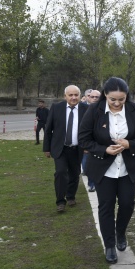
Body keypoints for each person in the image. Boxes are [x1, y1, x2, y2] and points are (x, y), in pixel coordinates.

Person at [78, 77, 135, 264]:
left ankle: (120, 232)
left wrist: (131, 144)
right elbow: (83, 138)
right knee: (106, 206)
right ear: (105, 95)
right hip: (104, 169)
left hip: (128, 168)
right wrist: (104, 149)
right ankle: (109, 244)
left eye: (122, 99)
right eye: (113, 100)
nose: (118, 103)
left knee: (127, 204)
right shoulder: (94, 110)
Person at [43, 85, 88, 213]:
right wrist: (47, 148)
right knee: (61, 172)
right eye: (70, 95)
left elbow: (90, 129)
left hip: (77, 149)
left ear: (80, 96)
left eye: (76, 95)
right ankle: (60, 201)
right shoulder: (57, 108)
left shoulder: (86, 109)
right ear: (65, 96)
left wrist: (88, 146)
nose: (73, 97)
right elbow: (48, 129)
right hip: (60, 148)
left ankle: (70, 196)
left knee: (74, 174)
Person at [82, 89, 101, 192]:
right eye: (91, 96)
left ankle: (95, 184)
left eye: (96, 97)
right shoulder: (82, 108)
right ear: (87, 97)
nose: (94, 98)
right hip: (88, 143)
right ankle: (91, 183)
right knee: (87, 166)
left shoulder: (103, 108)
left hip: (100, 142)